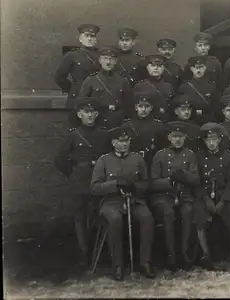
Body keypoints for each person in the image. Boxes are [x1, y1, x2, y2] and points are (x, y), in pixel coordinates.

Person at [90, 124, 156, 280]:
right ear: (113, 143)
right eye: (120, 141)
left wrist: (135, 187)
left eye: (127, 140)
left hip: (134, 200)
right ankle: (117, 265)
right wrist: (115, 184)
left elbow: (146, 183)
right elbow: (94, 187)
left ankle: (145, 262)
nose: (124, 144)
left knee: (147, 218)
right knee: (114, 219)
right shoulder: (104, 160)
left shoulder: (137, 159)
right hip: (111, 202)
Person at [54, 97, 110, 266]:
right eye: (86, 112)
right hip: (80, 180)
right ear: (79, 114)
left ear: (97, 114)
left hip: (99, 180)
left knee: (99, 214)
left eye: (93, 112)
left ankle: (100, 251)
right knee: (80, 216)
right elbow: (60, 160)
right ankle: (84, 252)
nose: (90, 115)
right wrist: (73, 173)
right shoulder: (73, 135)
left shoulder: (104, 134)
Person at [193, 123, 230, 270]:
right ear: (204, 141)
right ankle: (205, 255)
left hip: (224, 196)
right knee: (199, 215)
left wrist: (223, 202)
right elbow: (196, 182)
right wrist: (206, 200)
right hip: (205, 196)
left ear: (220, 140)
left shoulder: (229, 157)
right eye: (208, 140)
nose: (211, 143)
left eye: (214, 139)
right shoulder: (198, 157)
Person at [149, 121, 200, 270]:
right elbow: (152, 183)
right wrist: (169, 181)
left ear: (185, 138)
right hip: (164, 196)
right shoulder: (160, 155)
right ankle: (171, 255)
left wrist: (184, 175)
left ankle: (185, 253)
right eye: (174, 136)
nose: (177, 140)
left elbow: (196, 179)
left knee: (188, 211)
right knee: (168, 213)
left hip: (184, 195)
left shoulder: (190, 155)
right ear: (169, 138)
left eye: (181, 136)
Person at [79, 46, 129, 129]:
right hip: (97, 121)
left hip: (118, 122)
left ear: (116, 61)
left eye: (111, 59)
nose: (108, 62)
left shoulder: (123, 80)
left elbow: (128, 104)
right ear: (100, 60)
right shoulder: (91, 80)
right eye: (105, 58)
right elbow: (81, 102)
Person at [54, 24, 101, 111]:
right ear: (80, 39)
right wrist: (73, 89)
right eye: (86, 36)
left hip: (97, 96)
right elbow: (59, 77)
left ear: (96, 40)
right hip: (77, 96)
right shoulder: (72, 55)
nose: (89, 39)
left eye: (92, 36)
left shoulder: (101, 56)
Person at [123, 92, 165, 170]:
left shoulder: (158, 126)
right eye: (140, 106)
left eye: (147, 106)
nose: (143, 109)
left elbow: (162, 148)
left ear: (151, 108)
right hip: (131, 164)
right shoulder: (127, 125)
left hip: (152, 164)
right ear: (136, 107)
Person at [130, 54, 175, 122]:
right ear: (147, 67)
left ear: (163, 68)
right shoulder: (140, 86)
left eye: (159, 66)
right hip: (144, 122)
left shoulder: (168, 87)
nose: (156, 68)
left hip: (164, 121)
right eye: (153, 66)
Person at [178, 55, 220, 125]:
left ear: (205, 68)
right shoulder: (184, 87)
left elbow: (216, 107)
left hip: (208, 121)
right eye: (196, 67)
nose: (198, 70)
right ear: (191, 69)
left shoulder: (212, 87)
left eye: (201, 67)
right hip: (191, 121)